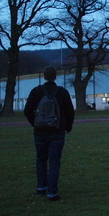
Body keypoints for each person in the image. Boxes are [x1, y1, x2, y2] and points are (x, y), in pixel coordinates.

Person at [24, 66, 75, 201]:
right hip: (57, 131)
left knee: (40, 159)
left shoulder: (36, 91)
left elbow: (27, 110)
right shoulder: (62, 92)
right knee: (54, 162)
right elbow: (70, 112)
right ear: (55, 76)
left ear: (44, 76)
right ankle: (52, 192)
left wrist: (34, 123)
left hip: (39, 131)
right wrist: (68, 127)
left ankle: (41, 187)